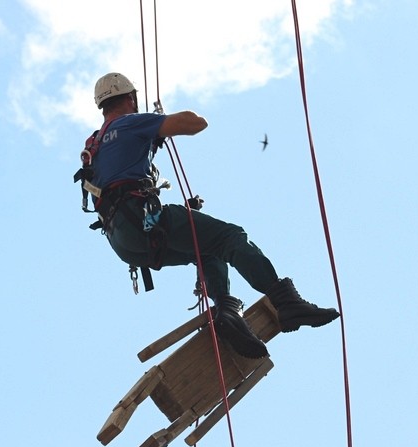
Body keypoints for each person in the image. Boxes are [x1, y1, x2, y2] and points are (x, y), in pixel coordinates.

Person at [81, 72, 339, 357]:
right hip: (141, 220)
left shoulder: (94, 143)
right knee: (230, 237)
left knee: (208, 250)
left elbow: (115, 185)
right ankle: (286, 302)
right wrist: (160, 122)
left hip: (124, 242)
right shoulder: (130, 122)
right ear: (130, 98)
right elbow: (195, 124)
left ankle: (227, 314)